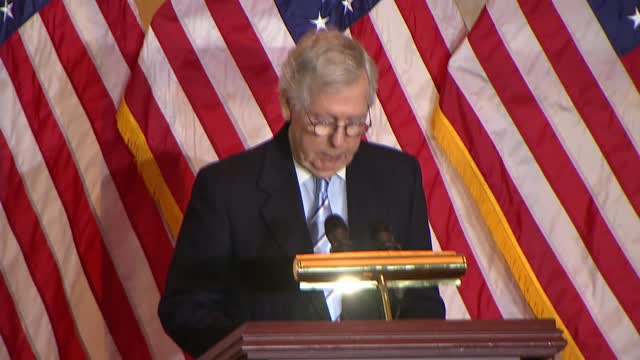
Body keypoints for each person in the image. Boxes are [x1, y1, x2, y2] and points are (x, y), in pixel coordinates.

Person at [158, 29, 445, 357]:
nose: (338, 141)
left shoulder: (397, 177)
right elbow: (187, 308)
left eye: (353, 124)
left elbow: (421, 300)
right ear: (288, 105)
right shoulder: (226, 189)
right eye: (322, 122)